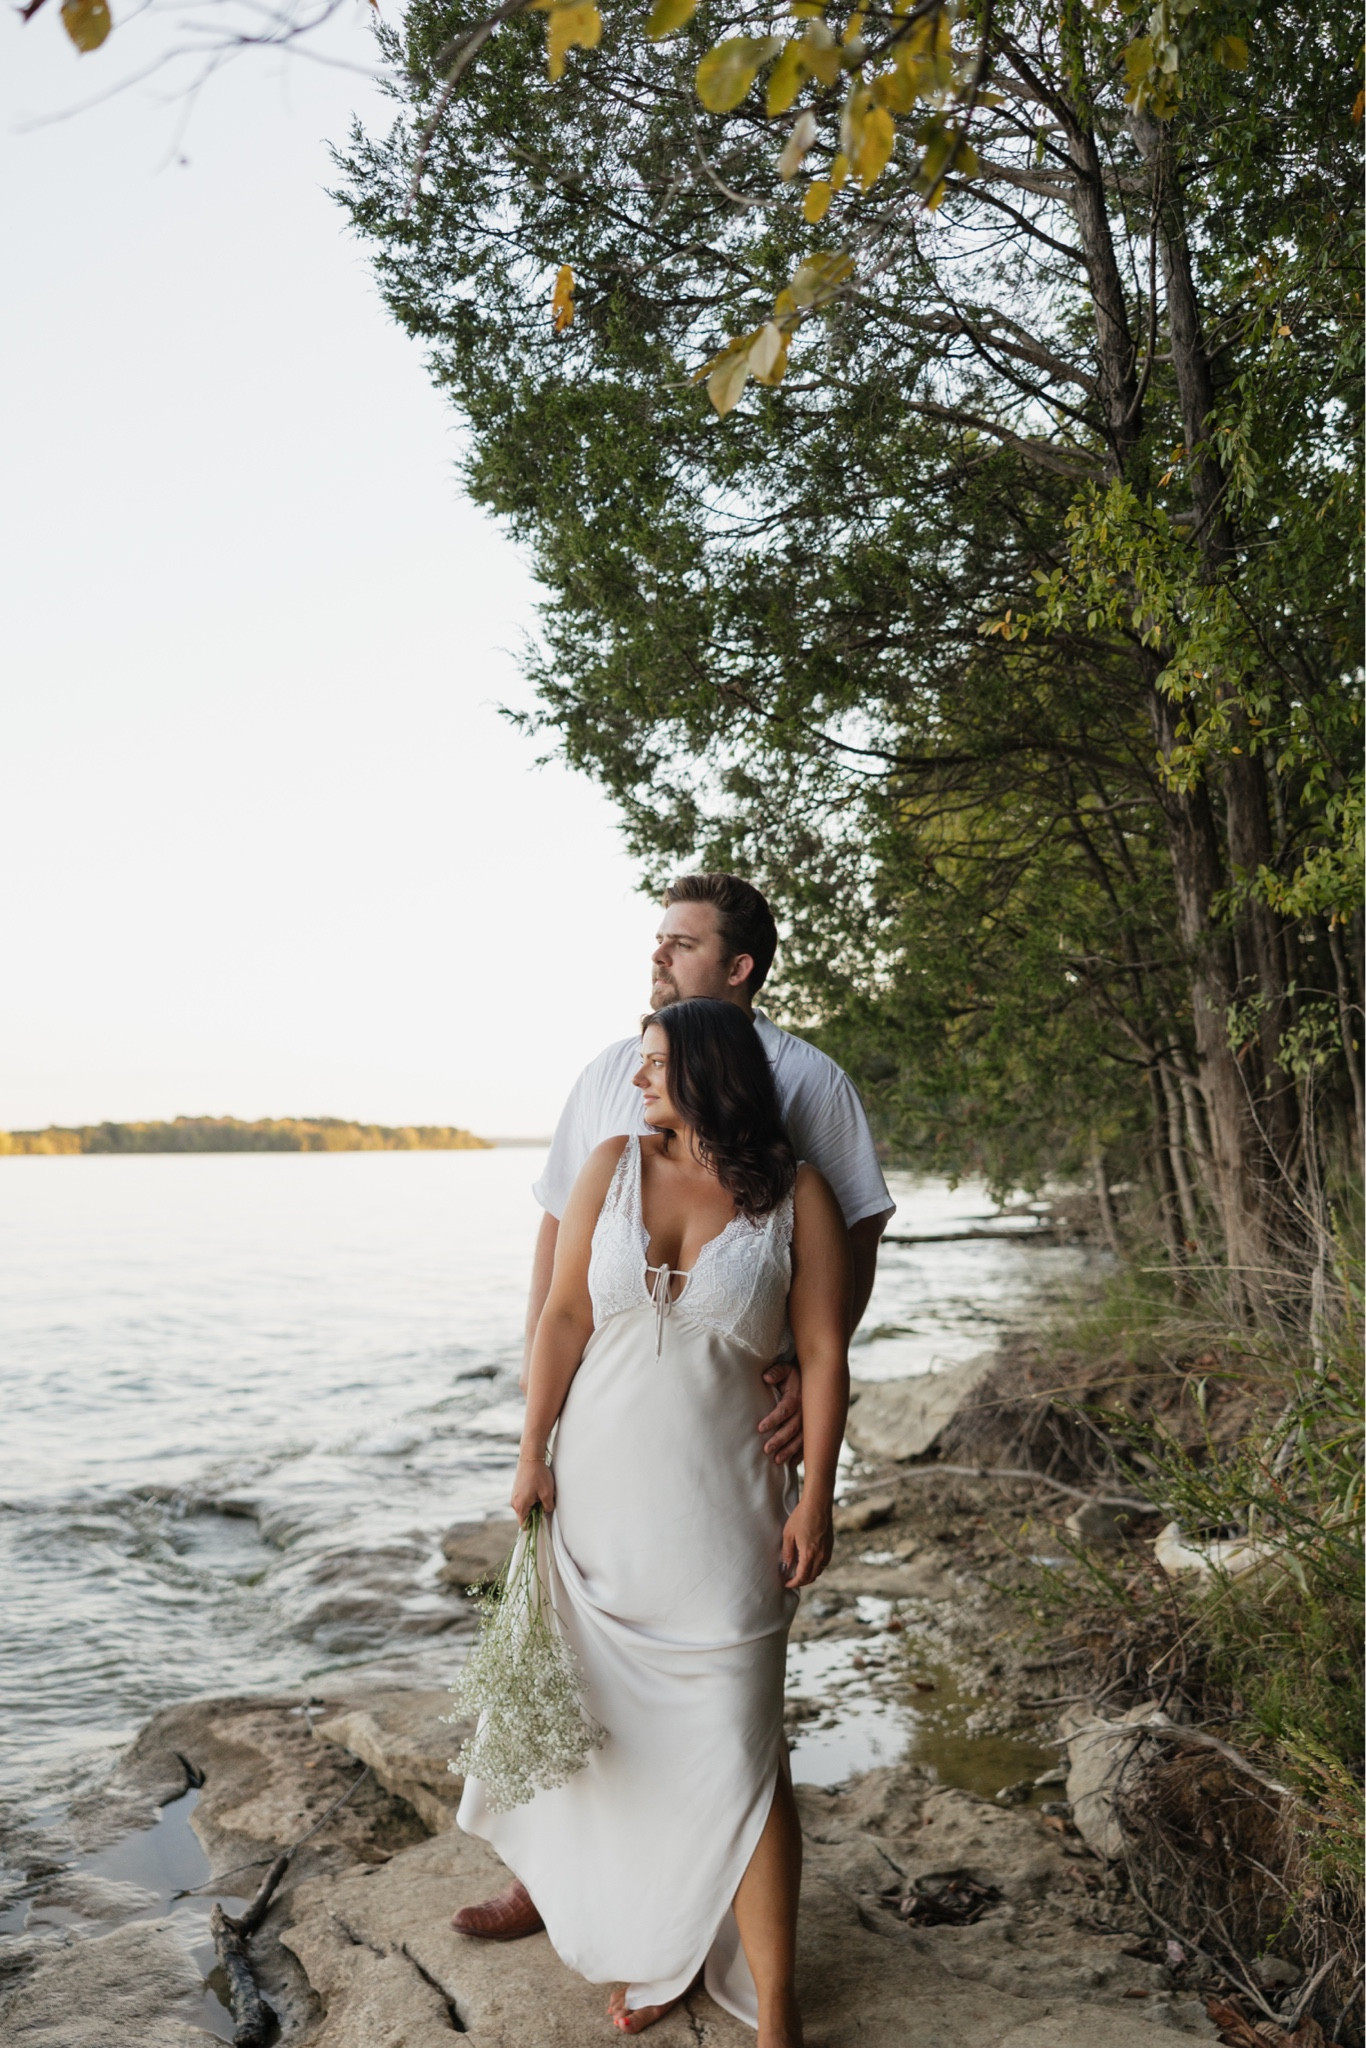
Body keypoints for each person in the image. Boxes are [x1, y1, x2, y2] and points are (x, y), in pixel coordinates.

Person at [453, 872, 893, 1948]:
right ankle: (556, 1885)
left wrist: (797, 1368)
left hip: (719, 1446)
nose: (657, 956)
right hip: (603, 1440)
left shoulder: (810, 1085)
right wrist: (537, 1423)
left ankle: (717, 1947)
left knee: (724, 1721)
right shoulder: (611, 1076)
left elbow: (850, 1245)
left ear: (737, 965)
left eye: (681, 942)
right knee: (571, 1687)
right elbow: (559, 1259)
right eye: (657, 939)